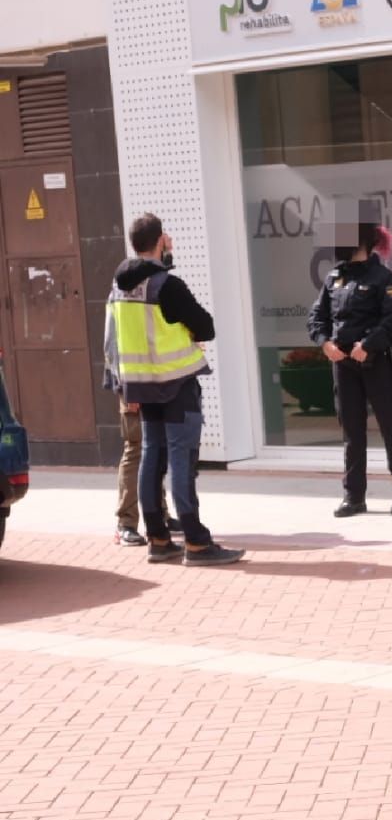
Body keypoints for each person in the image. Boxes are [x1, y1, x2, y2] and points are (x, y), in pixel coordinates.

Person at [110, 214, 243, 566]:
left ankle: (157, 539)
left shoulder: (119, 287)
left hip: (142, 386)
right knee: (182, 460)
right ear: (161, 241)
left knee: (151, 458)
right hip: (176, 384)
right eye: (166, 239)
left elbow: (114, 339)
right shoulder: (167, 285)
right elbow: (206, 327)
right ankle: (197, 543)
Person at [307, 199, 392, 518]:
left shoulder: (384, 279)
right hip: (344, 366)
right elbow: (317, 317)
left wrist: (368, 344)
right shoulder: (334, 278)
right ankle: (353, 497)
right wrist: (324, 342)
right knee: (352, 432)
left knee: (391, 427)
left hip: (377, 363)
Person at [103, 304, 177, 547]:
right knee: (136, 449)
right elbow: (113, 344)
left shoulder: (148, 287)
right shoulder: (122, 291)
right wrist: (126, 387)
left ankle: (160, 513)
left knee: (156, 448)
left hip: (155, 382)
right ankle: (125, 524)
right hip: (133, 384)